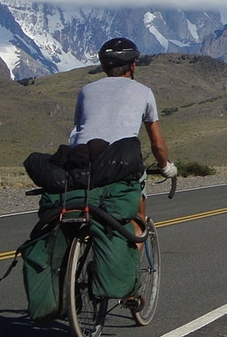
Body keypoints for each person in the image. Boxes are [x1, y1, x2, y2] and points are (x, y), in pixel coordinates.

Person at [70, 37, 177, 225]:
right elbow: (156, 142)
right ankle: (135, 242)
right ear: (133, 66)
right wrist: (166, 167)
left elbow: (78, 130)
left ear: (104, 68)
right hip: (120, 163)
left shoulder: (86, 90)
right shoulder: (144, 92)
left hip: (83, 162)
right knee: (138, 217)